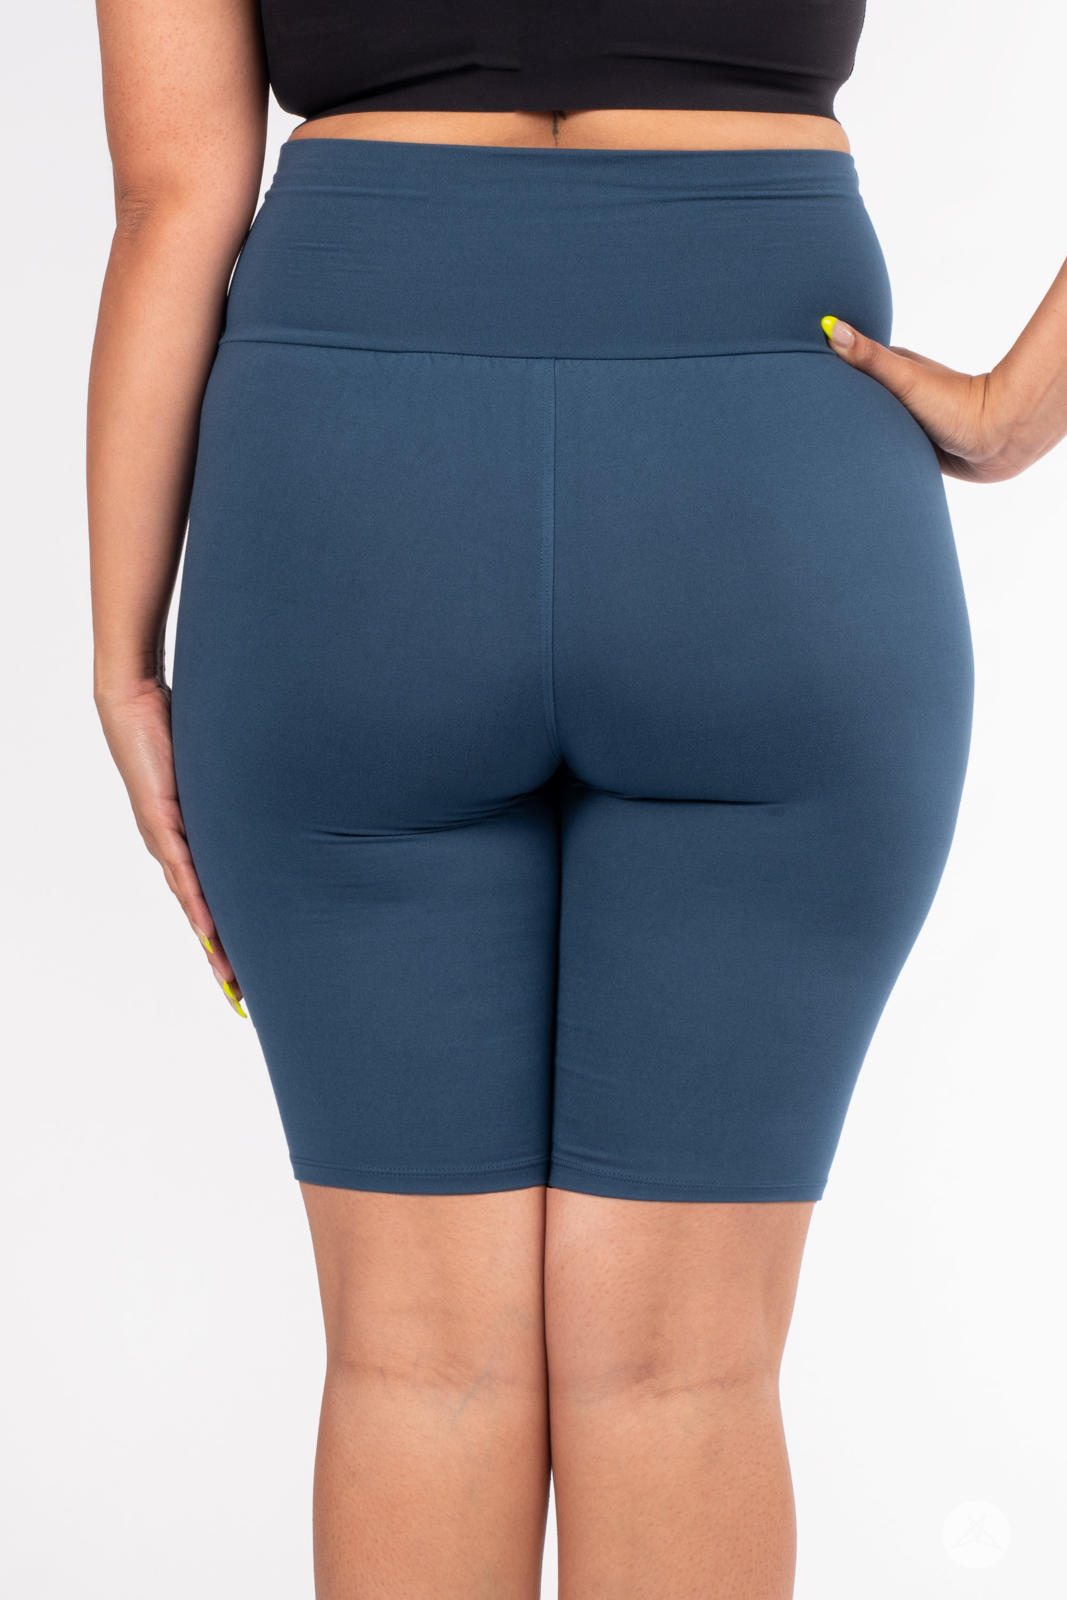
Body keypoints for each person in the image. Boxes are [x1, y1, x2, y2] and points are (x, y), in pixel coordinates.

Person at [86, 2, 1067, 1595]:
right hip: (771, 486)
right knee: (685, 1374)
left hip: (351, 500)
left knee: (418, 1365)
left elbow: (170, 198)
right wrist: (1026, 405)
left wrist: (126, 657)